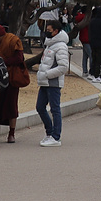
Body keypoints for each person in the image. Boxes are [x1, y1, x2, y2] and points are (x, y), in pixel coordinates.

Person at [34, 10, 69, 146]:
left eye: (49, 30)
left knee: (55, 109)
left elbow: (63, 66)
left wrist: (47, 74)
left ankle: (55, 136)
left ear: (56, 31)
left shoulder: (61, 46)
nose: (46, 32)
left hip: (52, 82)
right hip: (45, 81)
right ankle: (49, 132)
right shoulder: (50, 44)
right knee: (40, 107)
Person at [0, 23, 26, 143]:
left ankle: (11, 133)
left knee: (11, 105)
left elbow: (19, 58)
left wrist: (3, 61)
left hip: (12, 77)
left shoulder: (13, 40)